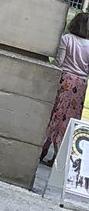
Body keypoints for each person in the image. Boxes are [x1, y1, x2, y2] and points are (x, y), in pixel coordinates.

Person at [40, 12, 89, 165]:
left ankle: (43, 149)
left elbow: (59, 62)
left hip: (65, 81)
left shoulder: (66, 39)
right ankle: (58, 156)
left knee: (55, 114)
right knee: (69, 119)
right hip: (80, 85)